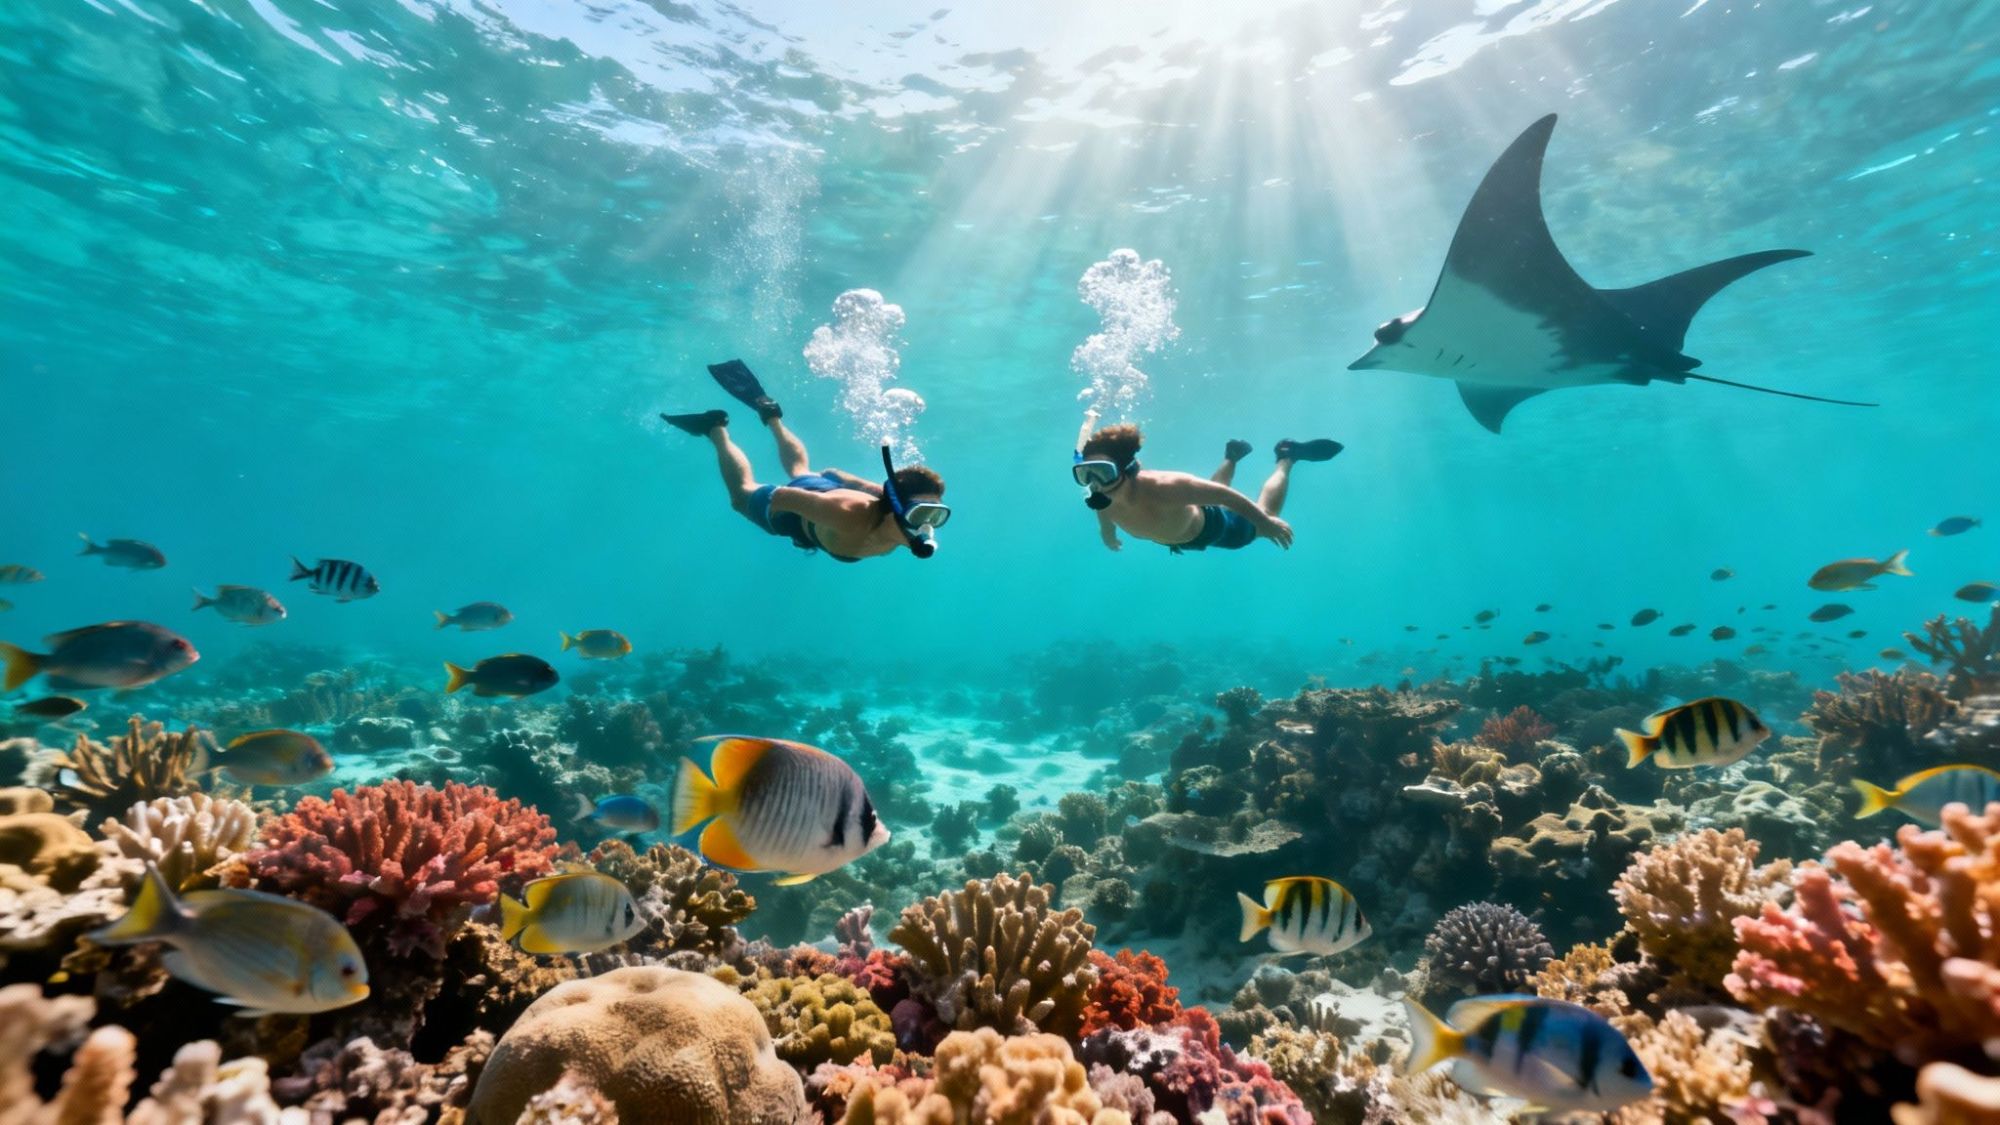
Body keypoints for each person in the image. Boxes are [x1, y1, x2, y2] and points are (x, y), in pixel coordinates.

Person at [663, 360, 949, 562]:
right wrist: (772, 508)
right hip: (803, 511)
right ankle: (715, 428)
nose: (928, 527)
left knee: (802, 470)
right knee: (742, 497)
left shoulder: (890, 508)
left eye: (936, 516)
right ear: (895, 510)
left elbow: (874, 488)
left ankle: (771, 415)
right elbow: (784, 496)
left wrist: (842, 479)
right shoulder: (846, 513)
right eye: (922, 515)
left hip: (830, 493)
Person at [1072, 411, 1342, 553]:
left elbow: (1225, 497)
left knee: (1258, 513)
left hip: (1216, 528)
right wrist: (1108, 537)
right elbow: (1105, 521)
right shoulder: (1102, 499)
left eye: (1102, 472)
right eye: (1086, 473)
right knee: (1207, 495)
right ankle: (1231, 457)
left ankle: (1287, 457)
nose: (1094, 482)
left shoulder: (1166, 487)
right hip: (1182, 536)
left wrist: (1265, 523)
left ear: (1126, 469)